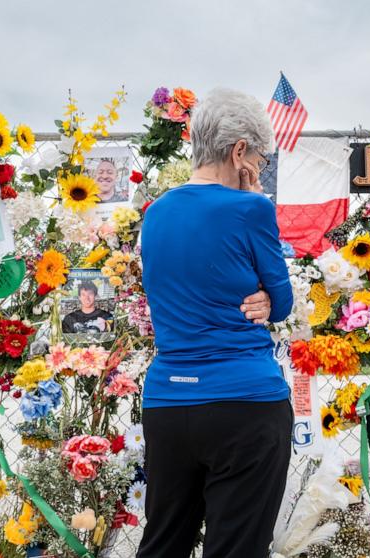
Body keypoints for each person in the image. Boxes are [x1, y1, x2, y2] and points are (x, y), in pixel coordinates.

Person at [138, 88, 292, 558]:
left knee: (163, 542)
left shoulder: (156, 212)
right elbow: (282, 301)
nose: (261, 169)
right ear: (239, 151)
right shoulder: (252, 209)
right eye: (260, 158)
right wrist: (256, 199)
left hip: (167, 402)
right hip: (244, 403)